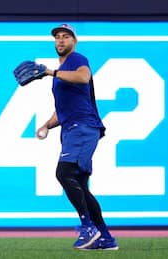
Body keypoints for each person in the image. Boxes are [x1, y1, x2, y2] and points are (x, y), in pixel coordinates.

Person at [36, 23, 118, 250]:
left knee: (63, 172)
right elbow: (63, 110)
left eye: (66, 37)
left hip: (82, 127)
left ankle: (88, 228)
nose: (60, 41)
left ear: (74, 41)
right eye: (57, 37)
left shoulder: (77, 59)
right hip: (73, 126)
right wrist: (46, 125)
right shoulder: (61, 73)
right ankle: (105, 238)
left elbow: (84, 77)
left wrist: (51, 72)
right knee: (80, 185)